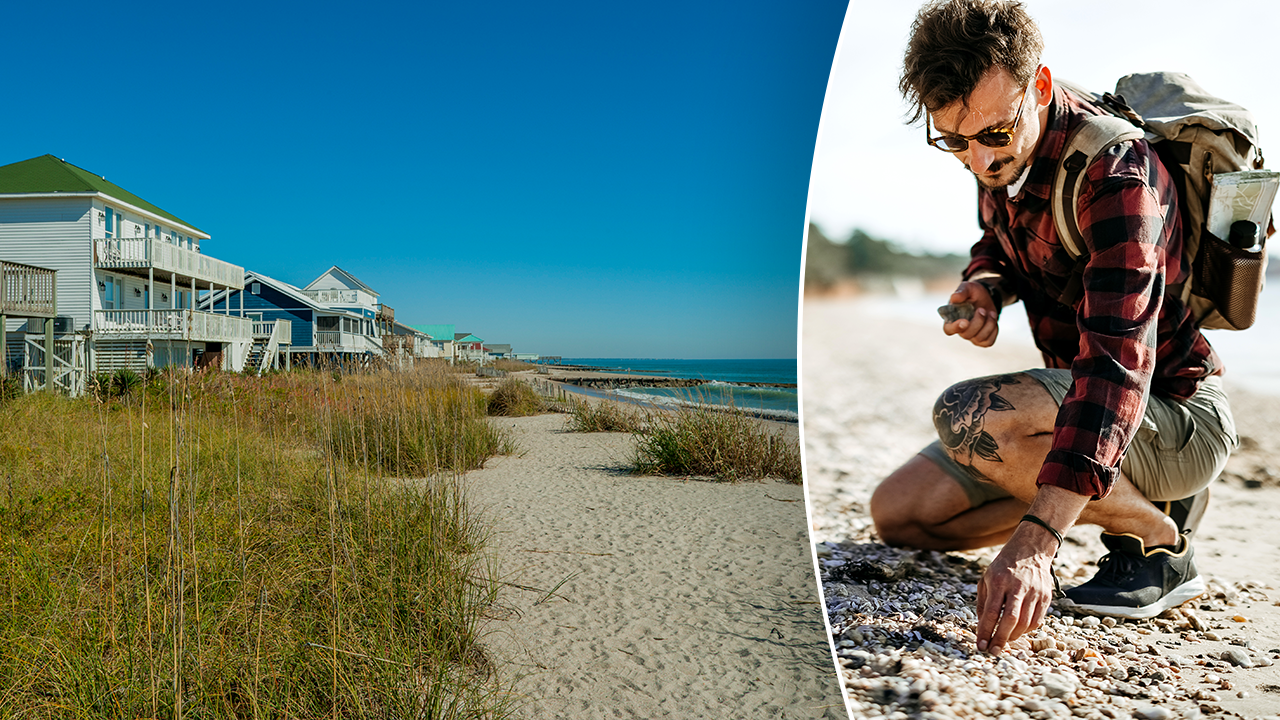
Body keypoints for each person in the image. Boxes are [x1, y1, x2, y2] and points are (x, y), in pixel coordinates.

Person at [868, 0, 1239, 656]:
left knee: (966, 414)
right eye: (952, 141)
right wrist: (985, 285)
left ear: (1038, 86)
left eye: (992, 135)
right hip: (1079, 408)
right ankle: (1116, 507)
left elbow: (1118, 360)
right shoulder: (999, 151)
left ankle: (1160, 542)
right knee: (898, 516)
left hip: (1174, 414)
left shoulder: (1120, 173)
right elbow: (999, 242)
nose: (978, 161)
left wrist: (1038, 542)